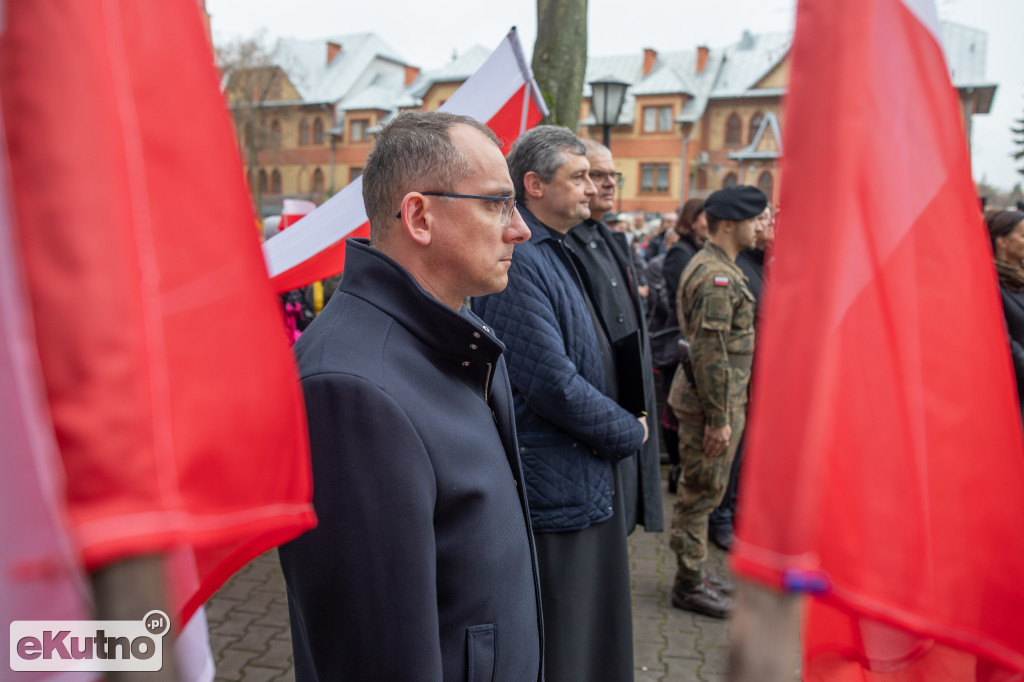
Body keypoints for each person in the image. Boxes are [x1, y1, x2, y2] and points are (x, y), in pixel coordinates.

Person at [278, 111, 543, 681]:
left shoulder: (452, 336)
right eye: (498, 203)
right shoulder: (350, 390)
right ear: (419, 216)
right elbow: (374, 657)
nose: (520, 229)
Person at [472, 125, 648, 682]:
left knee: (590, 634)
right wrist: (628, 431)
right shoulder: (523, 259)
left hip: (579, 473)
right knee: (566, 641)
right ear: (535, 184)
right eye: (579, 177)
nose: (592, 188)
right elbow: (550, 383)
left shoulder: (557, 247)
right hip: (556, 482)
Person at [667, 185, 766, 619]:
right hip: (712, 403)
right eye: (755, 220)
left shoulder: (722, 266)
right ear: (729, 224)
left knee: (707, 490)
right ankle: (688, 583)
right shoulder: (715, 277)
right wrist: (719, 418)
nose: (761, 227)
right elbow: (710, 354)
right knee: (700, 492)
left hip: (721, 399)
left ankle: (696, 571)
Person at [567, 138, 664, 537]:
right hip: (596, 418)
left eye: (612, 175)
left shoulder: (609, 239)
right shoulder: (562, 243)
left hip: (627, 405)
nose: (607, 183)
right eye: (595, 174)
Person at [707, 202, 775, 550]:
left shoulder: (761, 262)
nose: (766, 225)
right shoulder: (733, 267)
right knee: (730, 456)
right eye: (760, 219)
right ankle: (720, 519)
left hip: (756, 378)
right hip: (736, 381)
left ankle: (735, 513)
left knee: (746, 453)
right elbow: (714, 344)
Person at [656, 198, 708, 493]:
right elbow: (681, 298)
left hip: (687, 343)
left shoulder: (696, 249)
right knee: (673, 410)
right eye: (704, 216)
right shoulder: (680, 252)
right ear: (692, 219)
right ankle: (676, 467)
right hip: (678, 345)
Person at [987, 209, 1024, 422]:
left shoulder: (1020, 280)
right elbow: (1005, 342)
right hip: (1014, 398)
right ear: (1002, 241)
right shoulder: (990, 285)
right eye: (1022, 235)